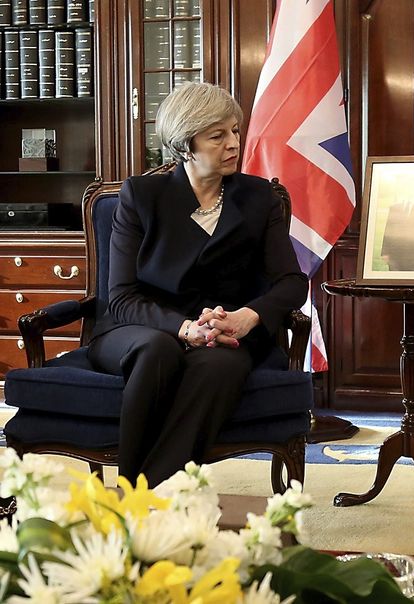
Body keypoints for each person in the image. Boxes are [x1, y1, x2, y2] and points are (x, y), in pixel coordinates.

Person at [87, 82, 308, 486]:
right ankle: (132, 490)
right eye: (217, 135)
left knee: (220, 365)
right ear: (185, 145)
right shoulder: (142, 195)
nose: (233, 144)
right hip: (142, 327)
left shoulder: (258, 198)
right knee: (157, 351)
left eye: (236, 131)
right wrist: (184, 328)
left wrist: (248, 316)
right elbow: (120, 296)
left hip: (226, 333)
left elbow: (293, 282)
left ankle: (138, 494)